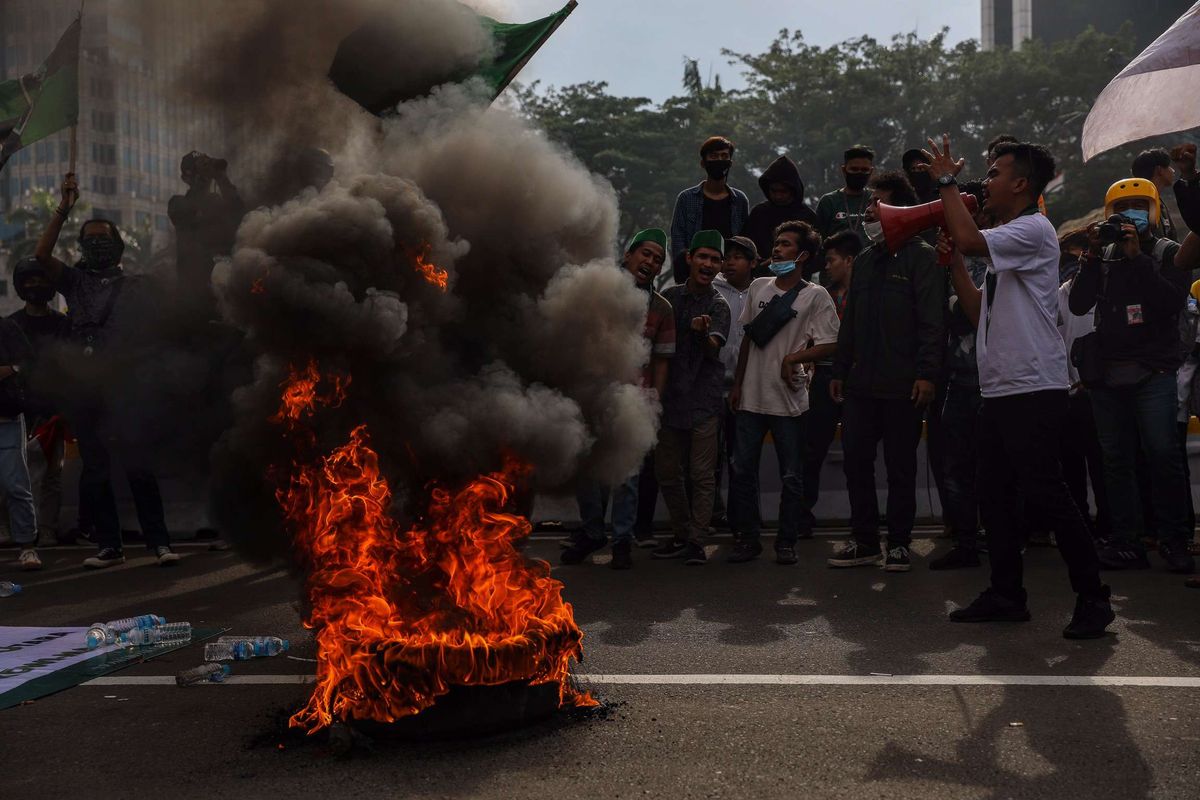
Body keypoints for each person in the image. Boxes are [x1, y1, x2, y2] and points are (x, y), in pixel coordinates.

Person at [930, 136, 1114, 639]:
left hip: (1033, 385)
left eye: (994, 173)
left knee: (1047, 495)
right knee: (995, 496)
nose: (984, 182)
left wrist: (946, 185)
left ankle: (1094, 599)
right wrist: (952, 267)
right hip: (1002, 388)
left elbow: (970, 240)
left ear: (1021, 183)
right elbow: (974, 311)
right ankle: (1007, 593)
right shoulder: (1008, 245)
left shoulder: (1032, 229)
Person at [36, 173, 181, 570]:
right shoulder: (75, 282)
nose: (97, 243)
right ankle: (109, 546)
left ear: (117, 246)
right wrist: (64, 209)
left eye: (104, 237)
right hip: (88, 387)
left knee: (137, 465)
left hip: (128, 385)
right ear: (82, 246)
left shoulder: (137, 285)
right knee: (96, 471)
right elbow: (41, 258)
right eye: (90, 238)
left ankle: (160, 543)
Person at [1068, 178, 1200, 574]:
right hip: (1107, 374)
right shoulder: (1103, 255)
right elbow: (1077, 304)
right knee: (1116, 460)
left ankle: (1175, 539)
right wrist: (1092, 258)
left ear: (1155, 208)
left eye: (1141, 205)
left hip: (1154, 373)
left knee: (1163, 455)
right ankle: (1126, 541)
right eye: (1123, 208)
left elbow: (1169, 302)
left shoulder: (1168, 253)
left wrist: (1136, 258)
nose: (1132, 214)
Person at [827, 172, 945, 572]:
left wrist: (927, 374)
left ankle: (898, 543)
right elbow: (851, 322)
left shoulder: (922, 257)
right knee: (857, 460)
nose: (870, 210)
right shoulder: (864, 259)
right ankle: (864, 541)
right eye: (870, 203)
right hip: (861, 383)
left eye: (879, 202)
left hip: (904, 385)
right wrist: (840, 368)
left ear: (900, 210)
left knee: (900, 466)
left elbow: (932, 322)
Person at [727, 221, 840, 565]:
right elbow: (749, 337)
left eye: (786, 244)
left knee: (792, 475)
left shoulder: (815, 295)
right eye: (776, 243)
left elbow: (832, 343)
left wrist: (795, 357)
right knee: (741, 470)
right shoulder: (759, 287)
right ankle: (747, 539)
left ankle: (786, 541)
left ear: (803, 255)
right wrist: (738, 384)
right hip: (750, 397)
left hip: (789, 401)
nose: (776, 249)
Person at [563, 229, 674, 569]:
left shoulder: (661, 307)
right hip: (592, 395)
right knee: (587, 470)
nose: (651, 262)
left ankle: (622, 540)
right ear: (628, 255)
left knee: (627, 476)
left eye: (657, 260)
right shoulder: (598, 290)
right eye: (646, 254)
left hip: (632, 401)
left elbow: (661, 361)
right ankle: (593, 531)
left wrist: (653, 403)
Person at [652, 231, 731, 565]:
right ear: (689, 259)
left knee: (701, 476)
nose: (708, 264)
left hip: (704, 403)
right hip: (670, 400)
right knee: (668, 473)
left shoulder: (718, 305)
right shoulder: (669, 298)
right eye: (703, 257)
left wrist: (703, 335)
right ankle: (682, 533)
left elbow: (716, 347)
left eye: (715, 259)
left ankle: (697, 541)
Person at [928, 182, 992, 570]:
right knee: (955, 464)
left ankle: (1004, 537)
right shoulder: (950, 256)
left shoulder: (994, 250)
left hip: (992, 377)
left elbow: (970, 312)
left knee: (993, 464)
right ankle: (966, 540)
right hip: (955, 374)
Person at [8, 257, 70, 548]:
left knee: (52, 476)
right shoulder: (10, 326)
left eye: (41, 279)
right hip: (15, 410)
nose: (35, 285)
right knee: (10, 474)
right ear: (20, 286)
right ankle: (11, 529)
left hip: (52, 408)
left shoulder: (63, 325)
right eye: (29, 280)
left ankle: (47, 529)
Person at [800, 230, 859, 534]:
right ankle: (802, 515)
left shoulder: (866, 294)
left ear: (849, 261)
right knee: (812, 449)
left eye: (832, 260)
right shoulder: (821, 294)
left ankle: (861, 519)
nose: (827, 266)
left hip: (856, 378)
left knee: (856, 452)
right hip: (823, 376)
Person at [712, 235, 758, 525]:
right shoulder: (713, 290)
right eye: (726, 256)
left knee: (742, 459)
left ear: (754, 263)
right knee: (709, 459)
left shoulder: (761, 291)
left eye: (738, 257)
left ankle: (744, 518)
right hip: (712, 387)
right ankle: (713, 514)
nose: (729, 261)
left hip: (747, 389)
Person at [167, 151, 244, 315]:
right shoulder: (177, 203)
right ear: (186, 178)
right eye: (198, 170)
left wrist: (221, 178)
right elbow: (188, 214)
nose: (205, 174)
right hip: (194, 295)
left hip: (225, 292)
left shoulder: (218, 201)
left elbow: (239, 214)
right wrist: (201, 184)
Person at [669, 136, 750, 284]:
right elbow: (678, 239)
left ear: (730, 163)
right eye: (713, 156)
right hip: (695, 275)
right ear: (703, 163)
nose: (719, 160)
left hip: (728, 276)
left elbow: (744, 240)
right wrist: (684, 274)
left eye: (724, 156)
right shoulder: (687, 198)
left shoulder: (739, 200)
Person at [0, 315, 38, 570]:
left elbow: (29, 360)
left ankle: (27, 546)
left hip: (6, 417)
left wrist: (10, 369)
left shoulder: (5, 327)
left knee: (16, 486)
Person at [743, 156, 818, 275]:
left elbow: (816, 255)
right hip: (760, 278)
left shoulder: (807, 216)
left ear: (793, 190)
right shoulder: (759, 213)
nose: (778, 196)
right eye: (774, 191)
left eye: (783, 191)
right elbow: (747, 247)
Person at [816, 145, 875, 239]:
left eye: (864, 170)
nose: (859, 173)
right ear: (844, 170)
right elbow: (818, 239)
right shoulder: (829, 201)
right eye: (854, 169)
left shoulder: (876, 199)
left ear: (871, 172)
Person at [1131, 148, 1179, 241]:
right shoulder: (1140, 205)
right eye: (1169, 166)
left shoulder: (1158, 200)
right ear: (1159, 170)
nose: (1173, 171)